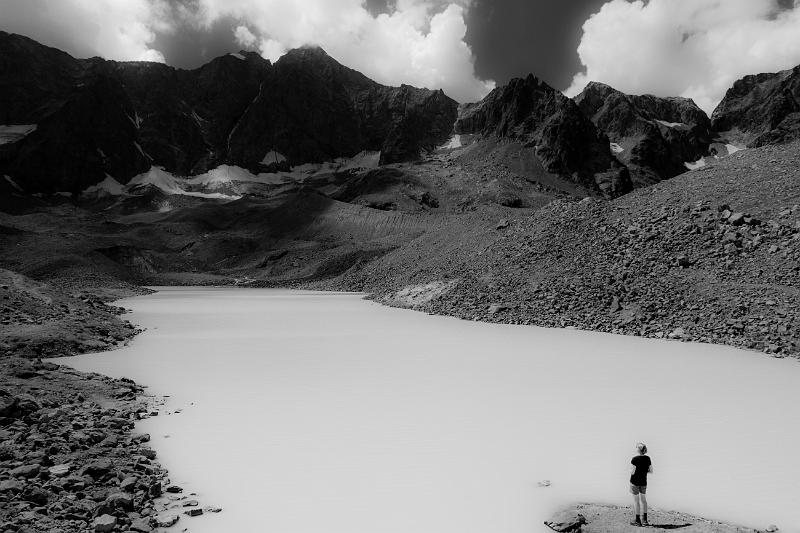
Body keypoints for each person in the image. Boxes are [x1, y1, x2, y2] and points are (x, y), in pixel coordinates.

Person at [629, 442, 653, 526]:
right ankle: (645, 521)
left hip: (634, 482)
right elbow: (651, 471)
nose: (635, 449)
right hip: (643, 482)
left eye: (636, 447)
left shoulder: (634, 459)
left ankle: (637, 521)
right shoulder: (648, 458)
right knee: (644, 501)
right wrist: (643, 471)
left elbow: (632, 472)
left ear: (639, 449)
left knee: (636, 502)